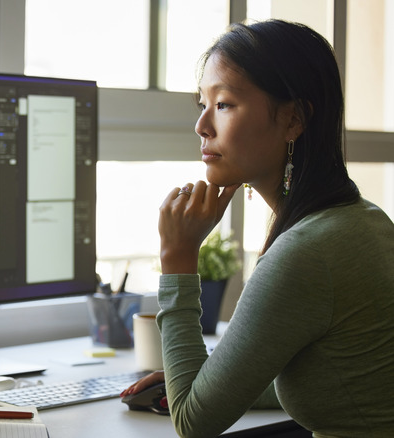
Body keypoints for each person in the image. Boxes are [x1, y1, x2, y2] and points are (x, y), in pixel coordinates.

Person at [120, 19, 394, 437]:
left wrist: (178, 258)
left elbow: (194, 422)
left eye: (224, 104)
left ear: (293, 120)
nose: (201, 126)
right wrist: (216, 381)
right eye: (202, 104)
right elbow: (347, 378)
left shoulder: (305, 253)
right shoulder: (364, 220)